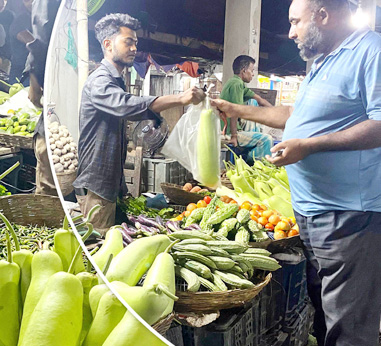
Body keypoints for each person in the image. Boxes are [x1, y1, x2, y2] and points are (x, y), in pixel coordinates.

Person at [211, 0, 381, 346]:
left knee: (348, 323)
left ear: (323, 14)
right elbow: (294, 115)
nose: (290, 32)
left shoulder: (370, 51)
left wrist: (310, 146)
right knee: (326, 315)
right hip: (313, 212)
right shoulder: (322, 62)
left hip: (348, 213)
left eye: (295, 21)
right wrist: (236, 109)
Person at [73, 14, 205, 234]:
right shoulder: (99, 81)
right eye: (128, 42)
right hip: (97, 183)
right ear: (107, 44)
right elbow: (125, 105)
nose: (134, 48)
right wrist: (179, 98)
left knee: (113, 240)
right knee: (97, 245)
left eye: (136, 43)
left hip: (110, 181)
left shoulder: (115, 79)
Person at [26, 0, 61, 196]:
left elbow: (40, 42)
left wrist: (34, 84)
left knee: (49, 191)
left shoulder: (45, 5)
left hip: (57, 108)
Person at [220, 55, 274, 160]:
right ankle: (252, 164)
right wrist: (234, 136)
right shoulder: (236, 84)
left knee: (253, 102)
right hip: (228, 132)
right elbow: (234, 111)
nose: (253, 74)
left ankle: (250, 155)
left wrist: (277, 113)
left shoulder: (239, 83)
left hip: (235, 128)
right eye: (252, 70)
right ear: (244, 71)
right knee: (267, 140)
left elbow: (260, 100)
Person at [8, 0, 33, 85]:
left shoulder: (35, 18)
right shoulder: (21, 19)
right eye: (27, 1)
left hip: (33, 74)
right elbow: (34, 44)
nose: (31, 3)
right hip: (21, 77)